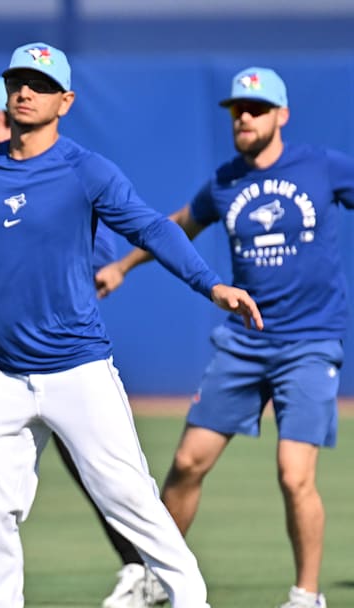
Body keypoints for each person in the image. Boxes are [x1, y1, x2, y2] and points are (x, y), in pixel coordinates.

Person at [0, 41, 264, 608]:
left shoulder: (86, 170)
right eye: (17, 82)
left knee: (129, 498)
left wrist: (210, 284)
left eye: (41, 85)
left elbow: (153, 228)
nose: (25, 92)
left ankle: (190, 599)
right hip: (2, 376)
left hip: (77, 370)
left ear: (66, 101)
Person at [0, 73, 167, 608]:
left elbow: (100, 240)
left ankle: (142, 565)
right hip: (7, 350)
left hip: (62, 350)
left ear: (1, 117)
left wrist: (97, 270)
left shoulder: (61, 172)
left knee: (93, 469)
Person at [95, 67, 353, 608]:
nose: (245, 118)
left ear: (282, 115)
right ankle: (156, 579)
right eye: (238, 110)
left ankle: (306, 596)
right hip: (244, 343)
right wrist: (122, 266)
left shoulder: (322, 166)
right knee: (188, 463)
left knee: (294, 475)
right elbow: (178, 224)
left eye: (257, 109)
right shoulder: (225, 181)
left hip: (309, 342)